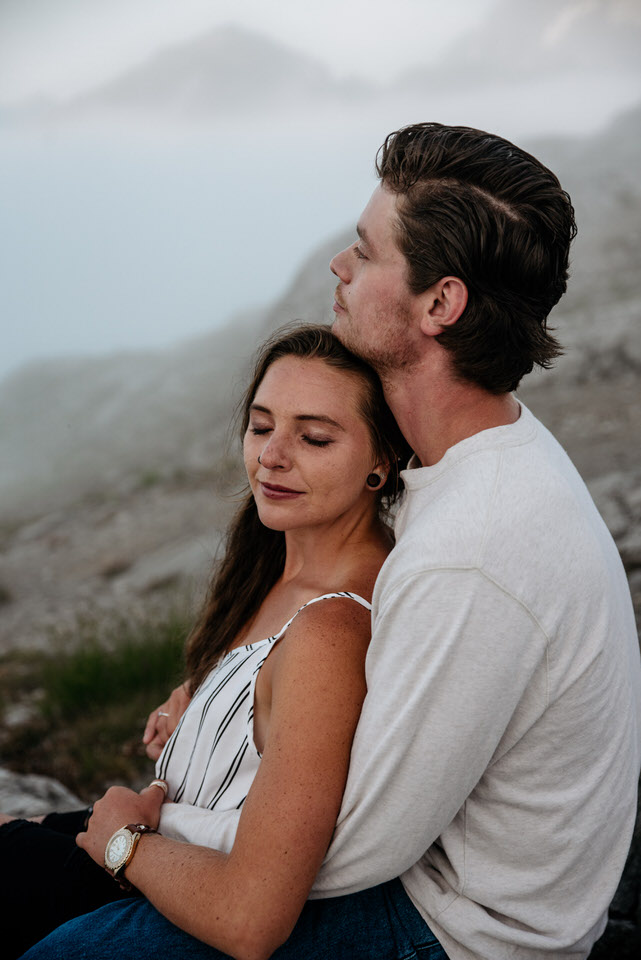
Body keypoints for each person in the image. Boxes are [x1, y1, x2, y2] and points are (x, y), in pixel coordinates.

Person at [16, 122, 641, 960]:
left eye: (365, 251)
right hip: (433, 886)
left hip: (454, 933)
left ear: (439, 304)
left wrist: (142, 831)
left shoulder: (475, 547)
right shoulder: (479, 464)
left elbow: (347, 851)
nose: (339, 268)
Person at [2, 324, 445, 960]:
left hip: (164, 882)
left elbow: (253, 913)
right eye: (262, 427)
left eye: (314, 437)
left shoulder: (337, 625)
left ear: (382, 458)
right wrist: (204, 703)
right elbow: (267, 706)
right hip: (159, 839)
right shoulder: (271, 562)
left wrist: (122, 842)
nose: (272, 456)